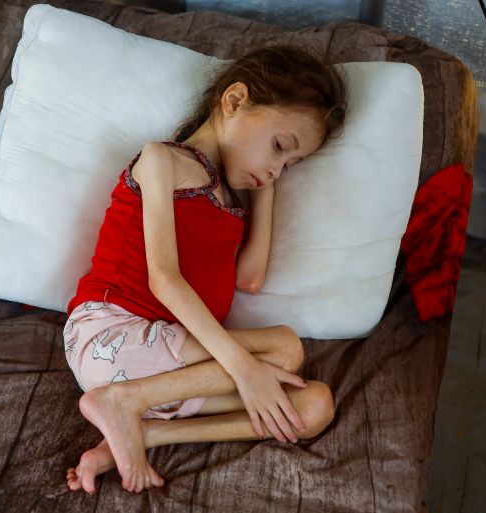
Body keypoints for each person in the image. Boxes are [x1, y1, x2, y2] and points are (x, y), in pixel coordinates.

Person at [63, 43, 347, 495]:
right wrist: (244, 368)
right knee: (284, 347)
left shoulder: (230, 202)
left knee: (314, 406)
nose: (277, 170)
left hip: (162, 373)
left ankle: (142, 426)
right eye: (279, 147)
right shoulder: (162, 160)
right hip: (110, 336)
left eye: (289, 165)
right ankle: (122, 400)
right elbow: (164, 280)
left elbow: (250, 278)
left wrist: (265, 185)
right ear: (234, 100)